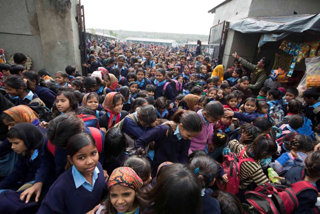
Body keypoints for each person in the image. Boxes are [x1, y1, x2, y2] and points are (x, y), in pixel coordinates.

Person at [37, 133, 107, 213]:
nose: (90, 161)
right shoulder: (60, 187)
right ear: (70, 160)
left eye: (93, 153)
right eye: (81, 157)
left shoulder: (98, 168)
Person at [136, 110, 202, 176]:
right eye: (189, 135)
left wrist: (181, 168)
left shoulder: (186, 138)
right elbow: (141, 141)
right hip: (156, 169)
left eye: (193, 136)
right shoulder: (163, 130)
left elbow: (183, 155)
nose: (190, 139)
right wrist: (143, 156)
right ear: (181, 127)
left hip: (172, 171)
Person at [0, 123, 43, 191]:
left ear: (28, 140)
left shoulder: (43, 155)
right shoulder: (25, 152)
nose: (12, 147)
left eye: (16, 143)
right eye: (11, 143)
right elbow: (17, 173)